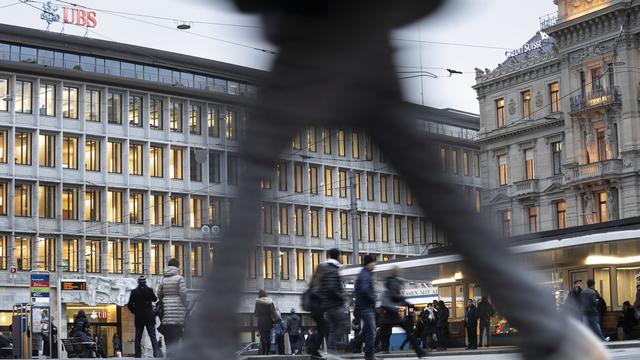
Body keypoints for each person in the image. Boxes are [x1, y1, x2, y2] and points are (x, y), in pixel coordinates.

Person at [192, 0, 609, 358]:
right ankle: (544, 324)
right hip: (362, 32)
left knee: (252, 177)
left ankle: (209, 334)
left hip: (314, 34)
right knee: (433, 187)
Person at [378, 268, 425, 358]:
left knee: (378, 333)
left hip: (387, 310)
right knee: (408, 332)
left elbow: (394, 296)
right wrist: (409, 304)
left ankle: (357, 345)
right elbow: (396, 297)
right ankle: (419, 351)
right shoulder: (394, 282)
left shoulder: (389, 282)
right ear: (397, 272)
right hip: (391, 311)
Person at [317, 248, 348, 353]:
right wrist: (341, 296)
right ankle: (331, 349)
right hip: (334, 304)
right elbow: (331, 287)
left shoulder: (327, 268)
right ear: (338, 256)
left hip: (328, 304)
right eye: (340, 256)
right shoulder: (332, 269)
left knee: (334, 327)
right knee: (342, 324)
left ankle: (331, 350)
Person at [158, 258, 188, 356]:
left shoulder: (162, 279)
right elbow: (183, 293)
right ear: (177, 266)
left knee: (168, 335)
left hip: (166, 310)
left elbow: (159, 294)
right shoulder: (180, 278)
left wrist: (165, 300)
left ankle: (169, 354)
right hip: (178, 310)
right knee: (177, 334)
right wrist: (184, 304)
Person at [127, 275, 160, 358]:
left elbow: (130, 305)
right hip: (149, 316)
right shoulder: (149, 290)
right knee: (152, 336)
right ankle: (156, 353)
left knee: (138, 337)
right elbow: (155, 299)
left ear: (138, 282)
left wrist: (135, 311)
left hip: (139, 317)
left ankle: (138, 355)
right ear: (145, 282)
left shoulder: (134, 292)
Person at [354, 255, 378, 360]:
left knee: (367, 331)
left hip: (364, 306)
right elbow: (364, 290)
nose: (375, 265)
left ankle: (353, 346)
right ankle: (369, 355)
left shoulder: (366, 273)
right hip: (366, 307)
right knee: (371, 331)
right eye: (373, 263)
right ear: (369, 263)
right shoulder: (364, 275)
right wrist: (373, 298)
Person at [254, 290, 276, 355]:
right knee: (269, 337)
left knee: (263, 338)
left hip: (261, 322)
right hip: (269, 322)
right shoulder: (270, 302)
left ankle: (263, 352)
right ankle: (268, 351)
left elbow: (256, 314)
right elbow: (273, 311)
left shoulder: (258, 303)